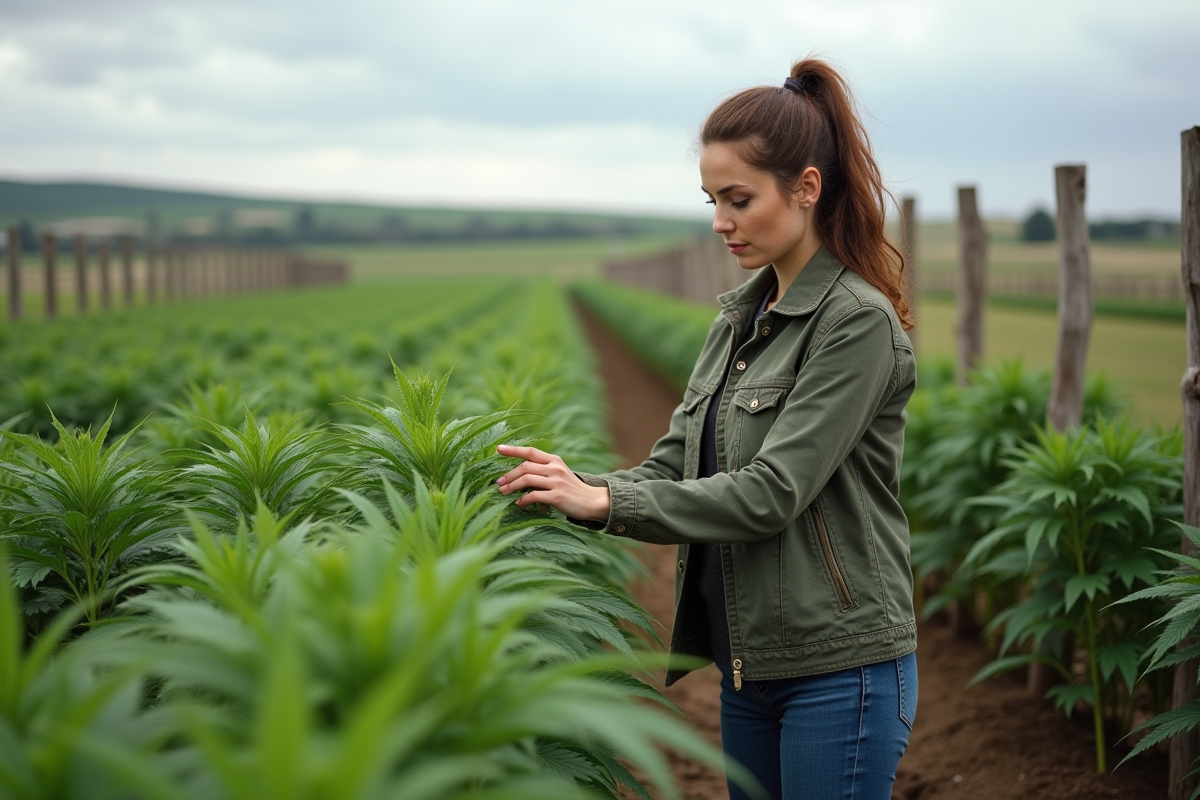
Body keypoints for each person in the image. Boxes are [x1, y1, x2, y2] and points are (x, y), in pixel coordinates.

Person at [496, 57, 917, 800]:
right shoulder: (739, 322)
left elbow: (771, 493)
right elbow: (671, 467)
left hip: (838, 668)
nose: (720, 221)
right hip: (748, 662)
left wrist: (609, 505)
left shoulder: (855, 324)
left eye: (738, 199)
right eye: (710, 200)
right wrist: (574, 485)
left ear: (807, 188)